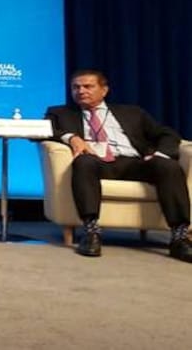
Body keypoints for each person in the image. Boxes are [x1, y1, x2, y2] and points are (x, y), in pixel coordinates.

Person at [45, 69, 192, 262]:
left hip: (134, 162)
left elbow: (167, 134)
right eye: (76, 87)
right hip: (96, 161)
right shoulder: (60, 113)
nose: (81, 91)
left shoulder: (132, 113)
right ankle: (91, 232)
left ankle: (179, 237)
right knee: (83, 162)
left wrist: (159, 154)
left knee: (168, 166)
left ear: (104, 90)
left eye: (88, 86)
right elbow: (44, 131)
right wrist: (71, 137)